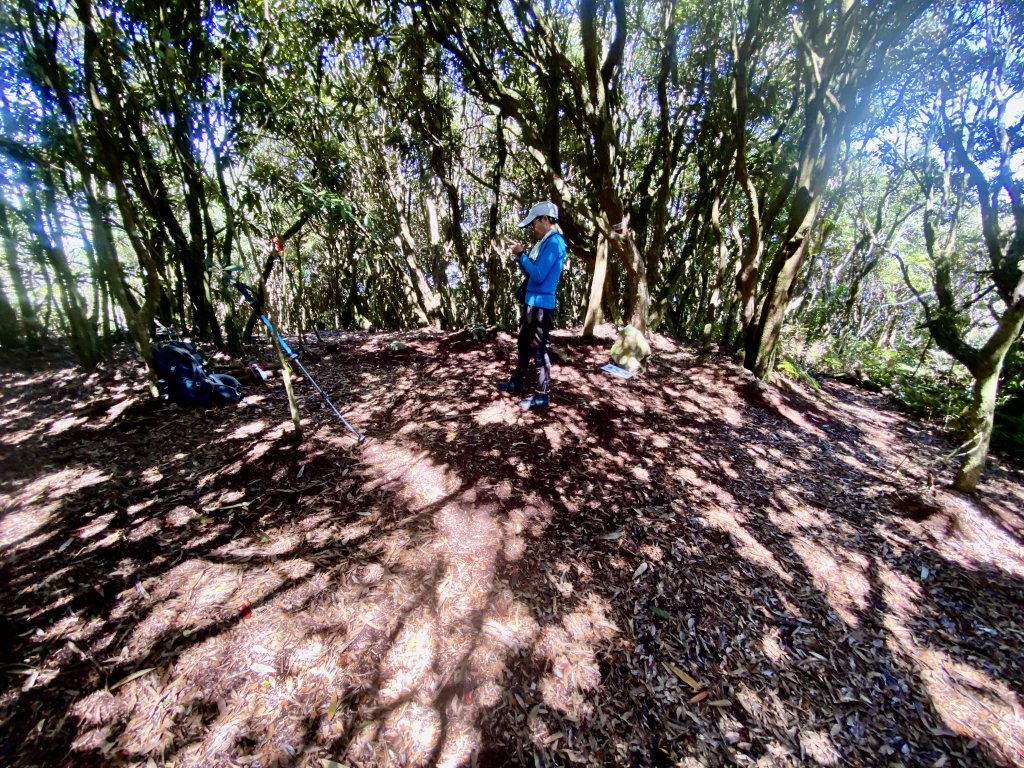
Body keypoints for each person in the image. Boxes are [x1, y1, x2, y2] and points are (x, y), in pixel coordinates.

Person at [496, 201, 567, 410]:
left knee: (538, 348)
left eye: (534, 223)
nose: (532, 228)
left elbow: (537, 275)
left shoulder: (554, 243)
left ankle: (542, 395)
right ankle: (517, 381)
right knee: (524, 344)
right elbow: (530, 271)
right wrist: (522, 256)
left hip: (541, 306)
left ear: (545, 219)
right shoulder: (543, 242)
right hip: (531, 302)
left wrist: (520, 255)